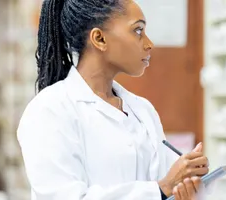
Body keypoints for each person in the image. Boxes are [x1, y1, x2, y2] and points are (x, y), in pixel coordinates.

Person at [17, 0, 209, 199]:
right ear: (99, 38)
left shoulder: (143, 110)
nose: (149, 43)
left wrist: (188, 184)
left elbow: (169, 186)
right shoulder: (49, 110)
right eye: (138, 31)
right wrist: (162, 188)